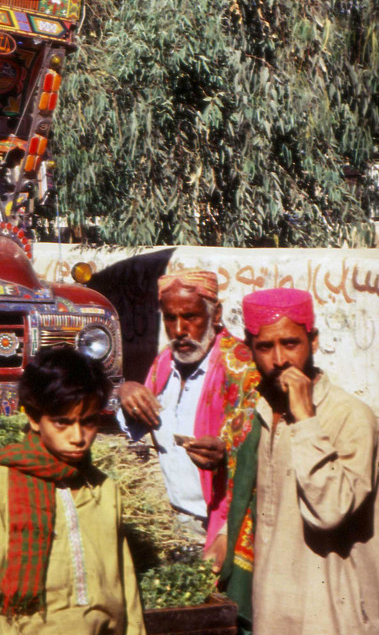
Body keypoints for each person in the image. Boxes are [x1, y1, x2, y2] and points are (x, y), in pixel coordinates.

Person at [0, 346, 146, 635]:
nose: (78, 437)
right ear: (35, 419)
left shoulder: (103, 489)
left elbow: (125, 589)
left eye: (88, 421)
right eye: (63, 422)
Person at [221, 287, 379, 635]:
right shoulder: (259, 415)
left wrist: (307, 421)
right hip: (273, 610)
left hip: (332, 615)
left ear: (314, 341)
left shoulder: (350, 417)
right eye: (265, 347)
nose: (279, 360)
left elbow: (330, 511)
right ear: (250, 350)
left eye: (291, 343)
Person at [118, 270, 258, 568]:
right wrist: (126, 392)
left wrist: (225, 455)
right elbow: (136, 423)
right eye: (170, 318)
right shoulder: (165, 362)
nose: (179, 329)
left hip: (225, 525)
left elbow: (260, 455)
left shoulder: (242, 369)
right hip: (177, 522)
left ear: (215, 314)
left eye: (191, 317)